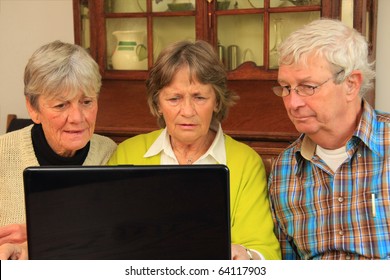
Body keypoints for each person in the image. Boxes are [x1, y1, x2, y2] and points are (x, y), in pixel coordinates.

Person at [108, 40, 281, 260]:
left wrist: (247, 255)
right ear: (158, 103)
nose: (187, 111)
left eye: (199, 97)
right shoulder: (127, 153)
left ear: (217, 101)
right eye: (174, 98)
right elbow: (107, 239)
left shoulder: (246, 162)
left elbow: (266, 252)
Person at [268, 18, 386, 259]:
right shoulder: (284, 170)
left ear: (351, 84)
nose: (293, 103)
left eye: (308, 86)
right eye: (286, 87)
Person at [0, 40, 117, 259]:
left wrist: (37, 236)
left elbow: (116, 237)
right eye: (61, 105)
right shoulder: (2, 154)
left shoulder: (110, 154)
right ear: (33, 108)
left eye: (86, 102)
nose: (77, 118)